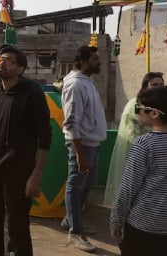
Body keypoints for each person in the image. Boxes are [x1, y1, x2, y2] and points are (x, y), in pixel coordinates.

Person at [0, 45, 51, 256]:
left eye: (9, 61)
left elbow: (45, 136)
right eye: (0, 59)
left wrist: (36, 175)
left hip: (18, 171)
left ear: (20, 69)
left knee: (18, 226)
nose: (2, 63)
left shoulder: (31, 93)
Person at [110, 85, 167, 255]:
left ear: (155, 114)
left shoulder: (144, 144)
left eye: (140, 108)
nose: (137, 112)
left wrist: (115, 220)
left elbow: (128, 189)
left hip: (143, 228)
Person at [60, 45, 107, 252]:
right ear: (84, 61)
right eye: (95, 58)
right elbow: (71, 123)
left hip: (93, 144)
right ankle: (75, 231)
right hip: (82, 146)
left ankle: (70, 220)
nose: (99, 62)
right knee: (76, 187)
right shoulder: (75, 85)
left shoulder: (87, 82)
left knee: (88, 185)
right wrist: (79, 154)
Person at [102, 72, 167, 207]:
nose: (158, 87)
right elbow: (133, 137)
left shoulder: (161, 105)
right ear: (145, 87)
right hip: (136, 156)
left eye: (161, 85)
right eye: (154, 84)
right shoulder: (135, 106)